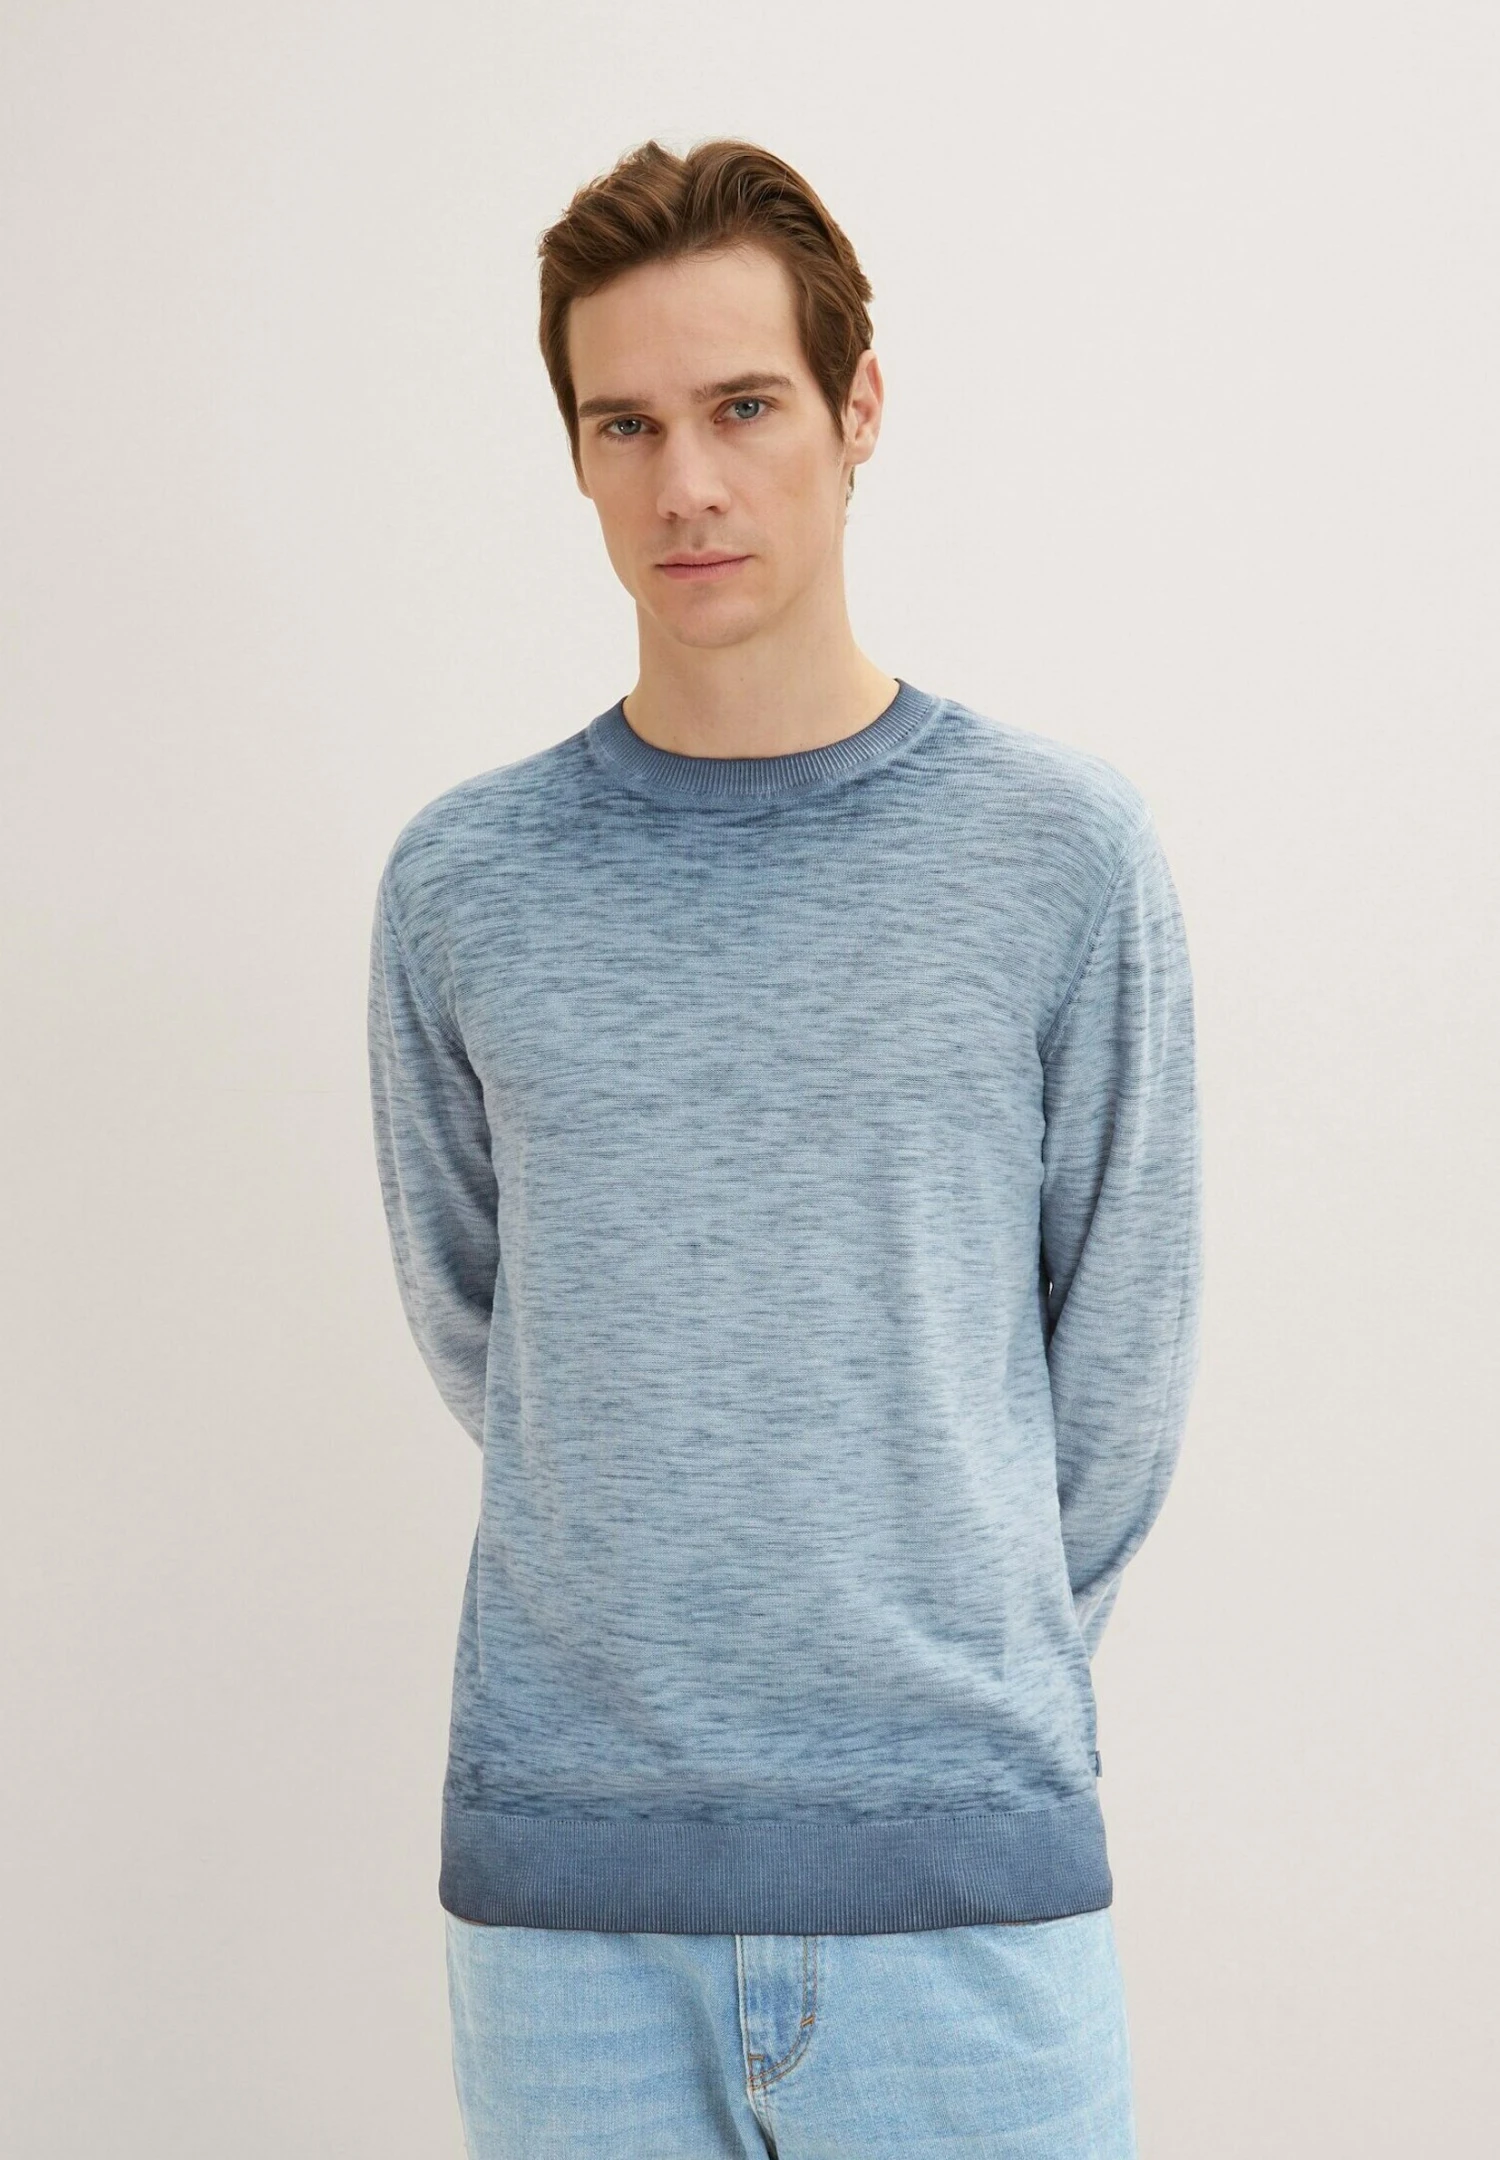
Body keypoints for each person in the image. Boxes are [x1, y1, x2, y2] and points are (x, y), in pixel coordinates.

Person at [367, 135, 1203, 2160]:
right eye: (627, 425)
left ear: (858, 408)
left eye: (743, 407)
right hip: (568, 1920)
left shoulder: (1059, 857)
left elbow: (1118, 1370)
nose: (689, 485)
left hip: (967, 1899)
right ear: (578, 456)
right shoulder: (466, 885)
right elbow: (494, 1329)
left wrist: (947, 1671)